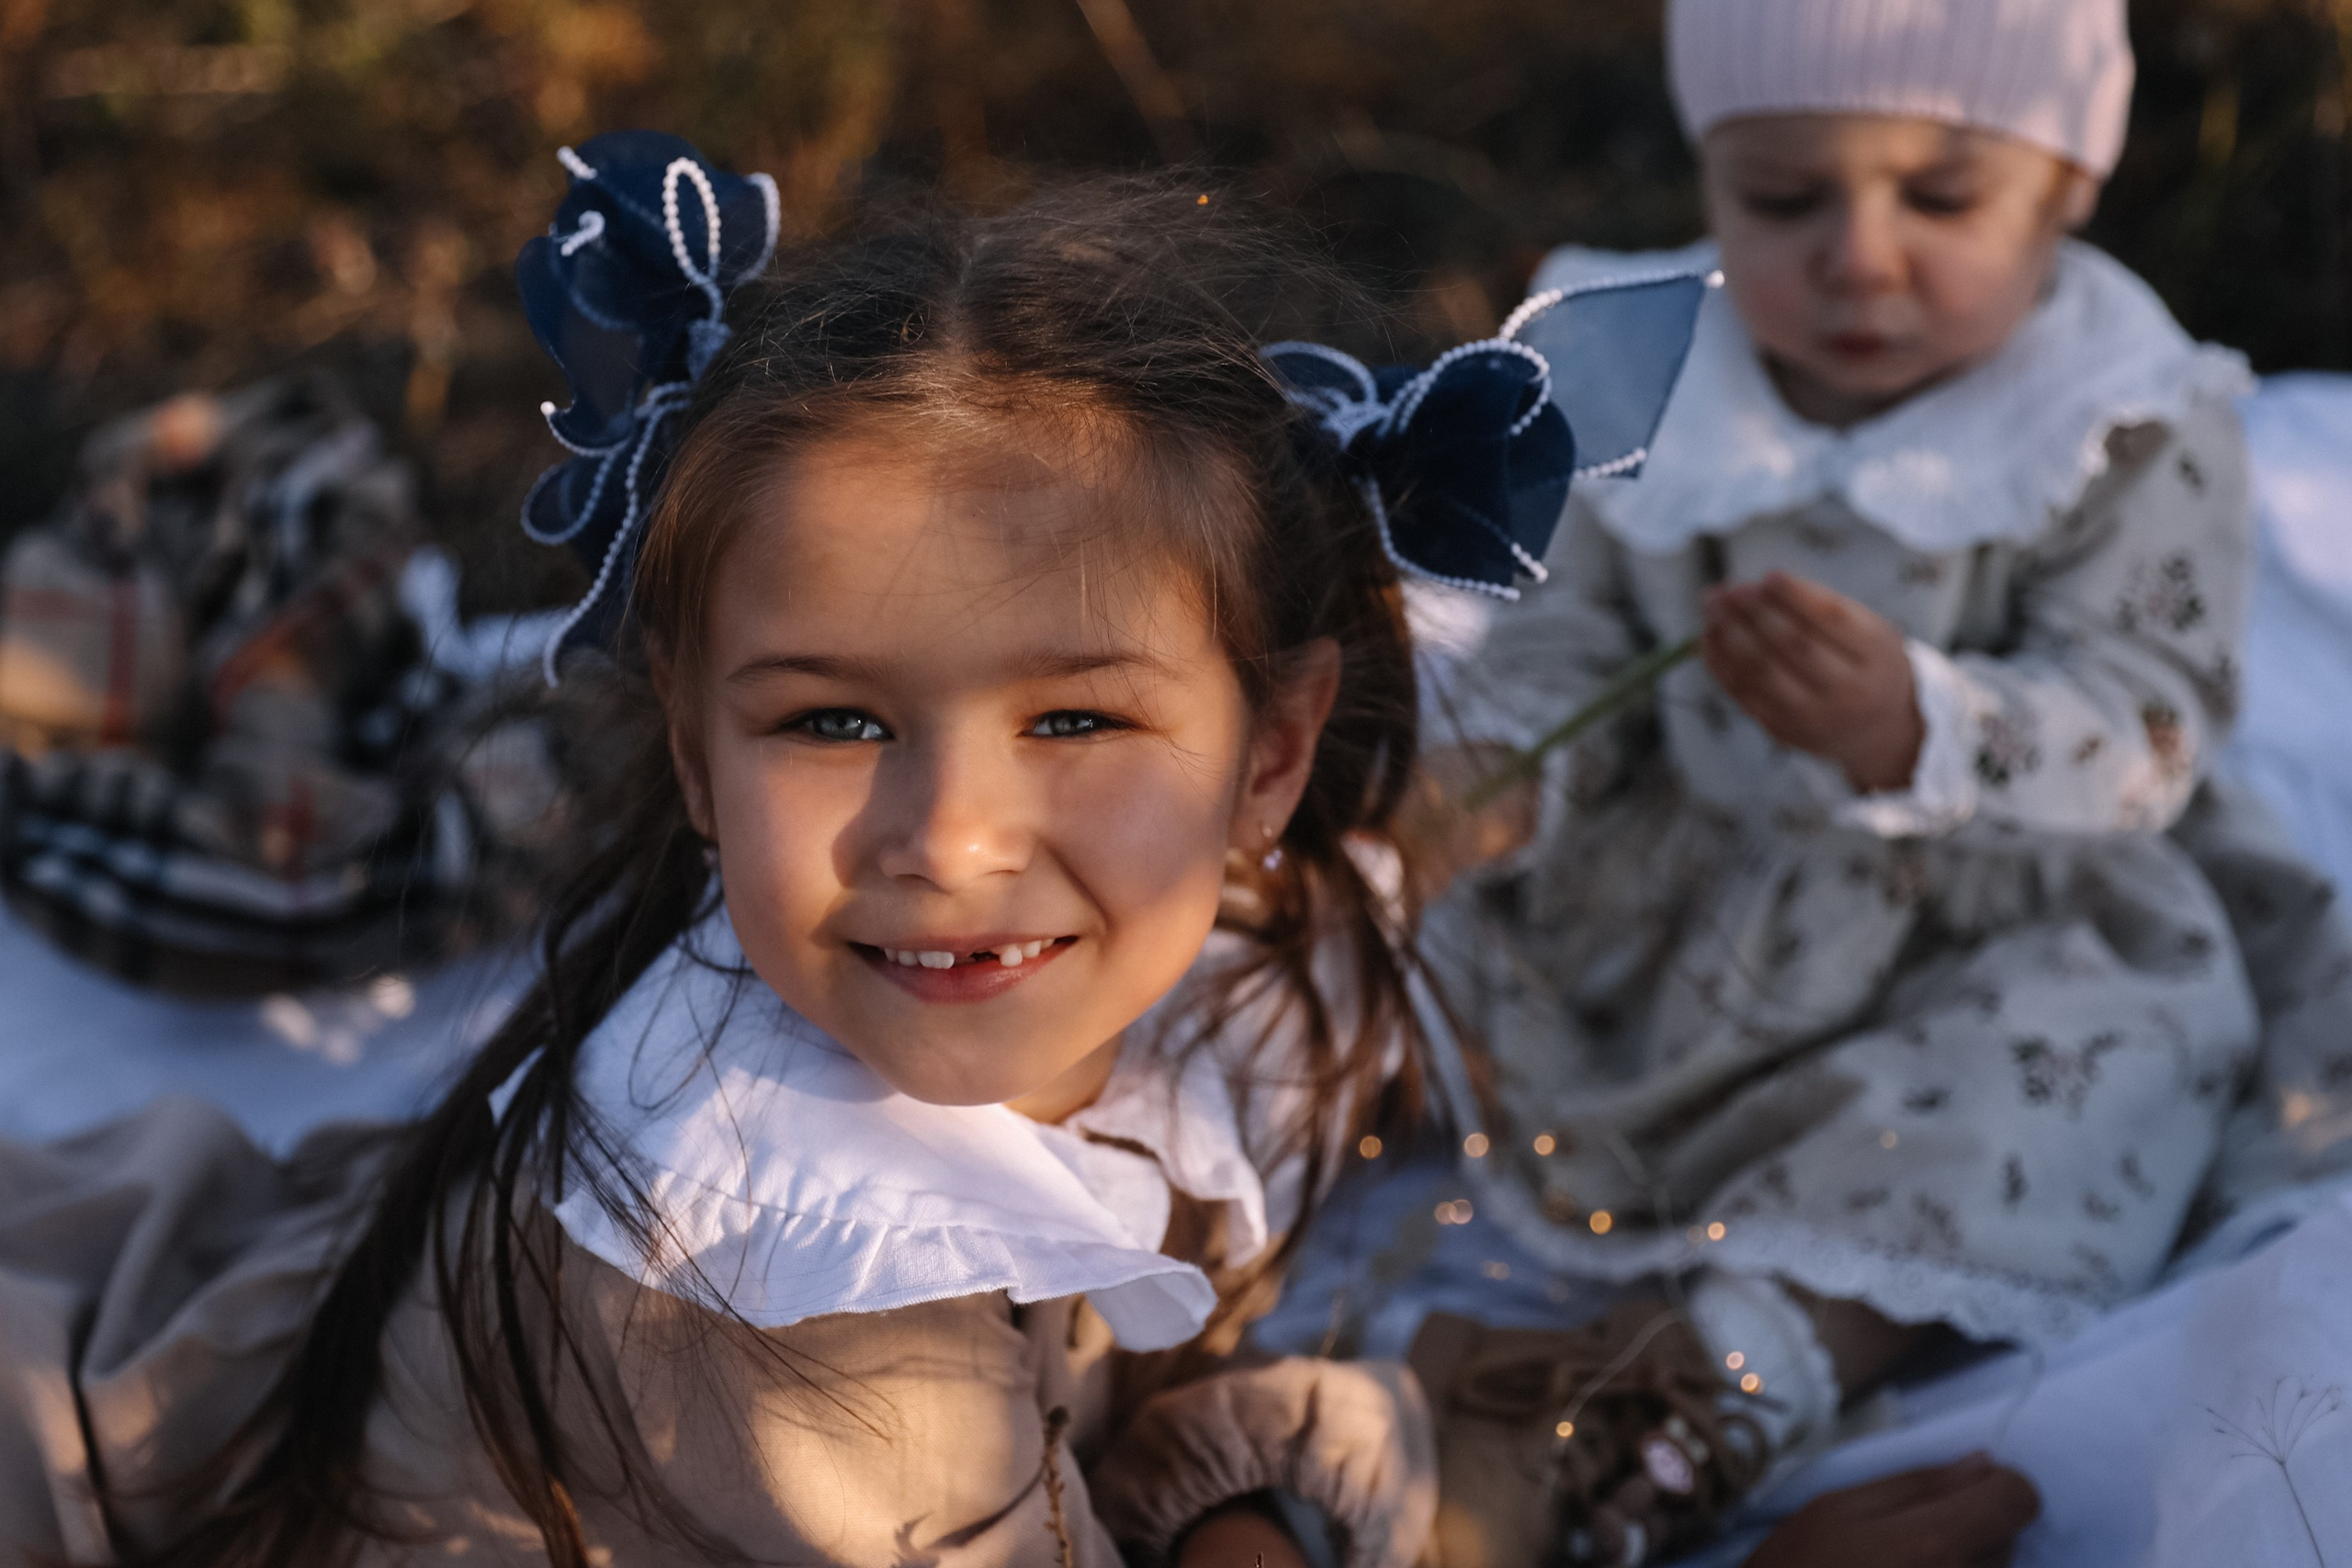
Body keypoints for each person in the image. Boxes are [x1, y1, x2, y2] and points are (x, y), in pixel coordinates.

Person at [0, 136, 1663, 1568]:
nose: (947, 840)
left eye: (1075, 724)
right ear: (691, 746)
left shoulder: (1223, 946)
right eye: (833, 723)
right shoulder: (804, 1320)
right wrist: (1404, 1461)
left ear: (1271, 755)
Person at [1395, 0, 2352, 1562]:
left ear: (2065, 184)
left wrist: (1920, 725)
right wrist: (1505, 778)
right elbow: (1563, 643)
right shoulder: (1651, 378)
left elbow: (2154, 719)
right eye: (1783, 200)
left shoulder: (2122, 413)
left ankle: (1726, 1378)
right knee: (1440, 973)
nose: (1857, 253)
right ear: (1712, 179)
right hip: (1703, 881)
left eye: (1943, 198)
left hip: (2013, 899)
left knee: (2088, 1067)